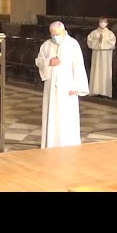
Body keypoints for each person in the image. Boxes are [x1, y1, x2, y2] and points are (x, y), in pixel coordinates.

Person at [35, 21, 89, 149]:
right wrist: (49, 62)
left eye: (57, 34)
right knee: (52, 115)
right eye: (52, 34)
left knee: (66, 117)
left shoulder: (72, 44)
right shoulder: (46, 45)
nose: (54, 37)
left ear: (64, 31)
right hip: (51, 88)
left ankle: (68, 143)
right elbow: (38, 61)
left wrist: (77, 86)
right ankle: (51, 143)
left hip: (68, 87)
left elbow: (79, 66)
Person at [87, 16, 116, 98]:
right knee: (96, 71)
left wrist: (102, 42)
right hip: (96, 55)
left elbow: (112, 43)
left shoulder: (110, 34)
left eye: (104, 21)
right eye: (101, 21)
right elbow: (89, 41)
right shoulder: (94, 33)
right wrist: (97, 43)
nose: (102, 23)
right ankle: (94, 91)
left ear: (107, 23)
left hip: (105, 56)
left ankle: (105, 92)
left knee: (105, 72)